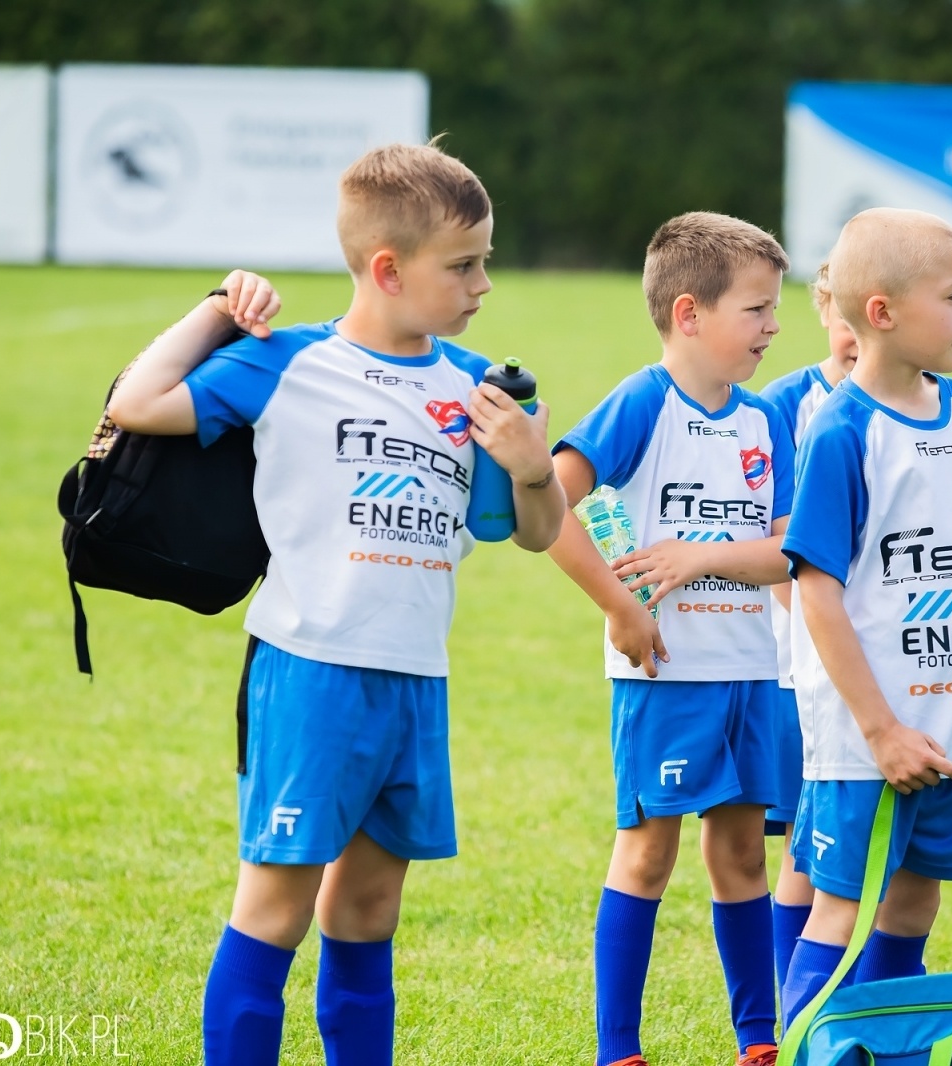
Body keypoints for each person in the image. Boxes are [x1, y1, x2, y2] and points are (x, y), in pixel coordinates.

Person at [105, 141, 566, 1066]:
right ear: (388, 269)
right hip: (308, 670)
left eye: (485, 261)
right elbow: (135, 404)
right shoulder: (288, 361)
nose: (484, 284)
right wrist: (213, 311)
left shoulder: (473, 386)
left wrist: (528, 468)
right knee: (276, 909)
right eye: (464, 265)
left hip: (414, 679)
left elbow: (535, 531)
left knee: (368, 910)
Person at [547, 212, 795, 1066]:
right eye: (756, 310)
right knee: (647, 855)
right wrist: (619, 604)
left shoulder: (766, 422)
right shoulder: (643, 402)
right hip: (662, 675)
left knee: (741, 856)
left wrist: (703, 556)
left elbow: (788, 555)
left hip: (754, 673)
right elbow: (551, 500)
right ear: (689, 314)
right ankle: (620, 1049)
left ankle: (758, 1042)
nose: (773, 327)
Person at [777, 208, 952, 1023]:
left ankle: (872, 1042)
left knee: (914, 905)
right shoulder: (842, 428)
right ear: (881, 313)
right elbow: (816, 589)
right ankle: (812, 1041)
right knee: (840, 909)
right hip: (865, 739)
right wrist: (878, 730)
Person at [756, 261, 858, 994]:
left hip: (897, 672)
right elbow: (784, 551)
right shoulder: (785, 404)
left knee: (854, 862)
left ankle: (832, 1018)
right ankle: (800, 1019)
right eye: (845, 316)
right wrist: (834, 659)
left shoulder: (941, 408)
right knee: (806, 849)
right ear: (824, 310)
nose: (859, 336)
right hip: (808, 672)